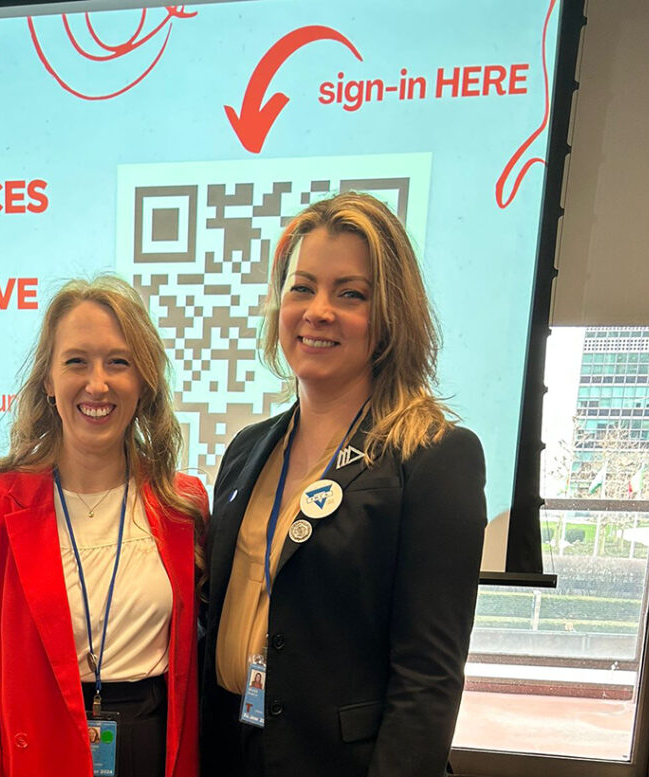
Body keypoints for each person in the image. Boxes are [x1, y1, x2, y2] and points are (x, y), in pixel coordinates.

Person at [200, 193, 486, 777]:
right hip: (233, 747)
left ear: (389, 314)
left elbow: (428, 677)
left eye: (349, 293)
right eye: (301, 287)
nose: (318, 311)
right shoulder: (247, 449)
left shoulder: (434, 457)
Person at [0, 276, 207, 777]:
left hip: (155, 751)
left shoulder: (183, 505)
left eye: (119, 362)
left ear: (144, 379)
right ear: (48, 380)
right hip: (41, 750)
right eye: (76, 361)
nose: (98, 384)